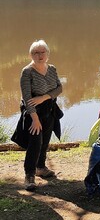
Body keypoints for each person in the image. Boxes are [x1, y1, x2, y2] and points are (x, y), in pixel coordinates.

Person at [19, 40, 63, 191]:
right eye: (36, 53)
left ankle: (41, 167)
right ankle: (29, 175)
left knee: (45, 141)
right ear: (31, 55)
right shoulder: (27, 72)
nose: (39, 55)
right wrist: (35, 119)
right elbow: (26, 98)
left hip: (49, 109)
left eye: (42, 52)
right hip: (34, 112)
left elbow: (59, 89)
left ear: (47, 54)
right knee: (35, 143)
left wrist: (44, 97)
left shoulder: (52, 69)